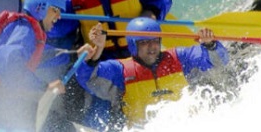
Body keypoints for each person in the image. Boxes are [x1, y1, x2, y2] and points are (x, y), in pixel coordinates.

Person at [0, 0, 89, 130]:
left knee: (57, 123)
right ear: (40, 8)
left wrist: (75, 55)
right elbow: (9, 64)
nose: (59, 16)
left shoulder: (28, 31)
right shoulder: (24, 29)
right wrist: (45, 86)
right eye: (55, 10)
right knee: (58, 126)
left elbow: (44, 56)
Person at [76, 18, 229, 130]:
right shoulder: (120, 70)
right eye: (143, 43)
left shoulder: (179, 57)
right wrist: (96, 54)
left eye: (155, 41)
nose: (151, 47)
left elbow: (218, 62)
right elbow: (89, 80)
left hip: (185, 125)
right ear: (133, 45)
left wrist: (210, 45)